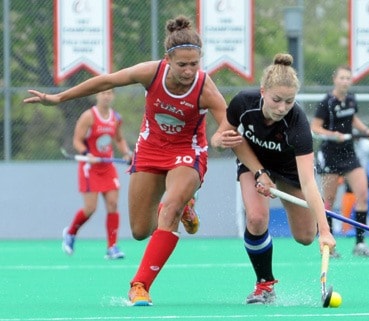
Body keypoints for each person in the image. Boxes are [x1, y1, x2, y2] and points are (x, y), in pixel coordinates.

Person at [24, 15, 227, 306]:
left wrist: (222, 135)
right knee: (141, 230)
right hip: (150, 150)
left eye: (195, 64)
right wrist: (58, 98)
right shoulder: (150, 73)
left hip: (187, 151)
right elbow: (106, 80)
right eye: (182, 65)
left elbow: (226, 122)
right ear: (168, 60)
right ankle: (185, 204)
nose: (189, 70)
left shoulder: (205, 87)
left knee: (169, 209)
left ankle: (140, 285)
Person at [211, 53, 336, 304]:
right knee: (256, 219)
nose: (282, 108)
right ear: (262, 91)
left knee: (305, 237)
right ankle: (264, 285)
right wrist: (222, 144)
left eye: (289, 101)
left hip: (289, 170)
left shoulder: (298, 124)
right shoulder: (243, 104)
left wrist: (325, 231)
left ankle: (318, 217)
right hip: (252, 163)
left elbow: (309, 180)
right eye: (277, 100)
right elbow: (219, 139)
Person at [311, 64, 369, 258]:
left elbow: (353, 119)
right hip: (330, 155)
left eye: (348, 78)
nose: (345, 81)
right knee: (329, 201)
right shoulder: (326, 103)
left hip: (349, 155)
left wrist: (366, 131)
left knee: (363, 194)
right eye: (342, 78)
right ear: (335, 79)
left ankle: (360, 244)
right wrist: (333, 135)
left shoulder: (351, 100)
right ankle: (328, 245)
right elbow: (315, 127)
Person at [61, 89, 132, 260]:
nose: (106, 96)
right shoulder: (88, 116)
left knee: (113, 204)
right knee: (90, 209)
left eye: (109, 93)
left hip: (107, 167)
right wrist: (87, 154)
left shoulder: (116, 118)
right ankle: (70, 233)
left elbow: (119, 139)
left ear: (113, 96)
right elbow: (77, 141)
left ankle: (112, 247)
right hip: (90, 168)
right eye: (103, 93)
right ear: (97, 95)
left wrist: (126, 152)